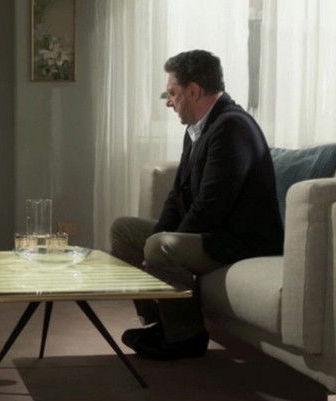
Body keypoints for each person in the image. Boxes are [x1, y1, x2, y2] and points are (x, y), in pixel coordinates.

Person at [110, 50, 283, 360]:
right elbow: (178, 194)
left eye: (172, 93)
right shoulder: (197, 129)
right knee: (123, 231)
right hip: (213, 234)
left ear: (193, 91)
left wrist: (164, 243)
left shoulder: (232, 127)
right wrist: (159, 234)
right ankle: (162, 323)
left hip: (239, 242)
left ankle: (185, 338)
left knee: (160, 246)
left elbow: (211, 206)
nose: (168, 102)